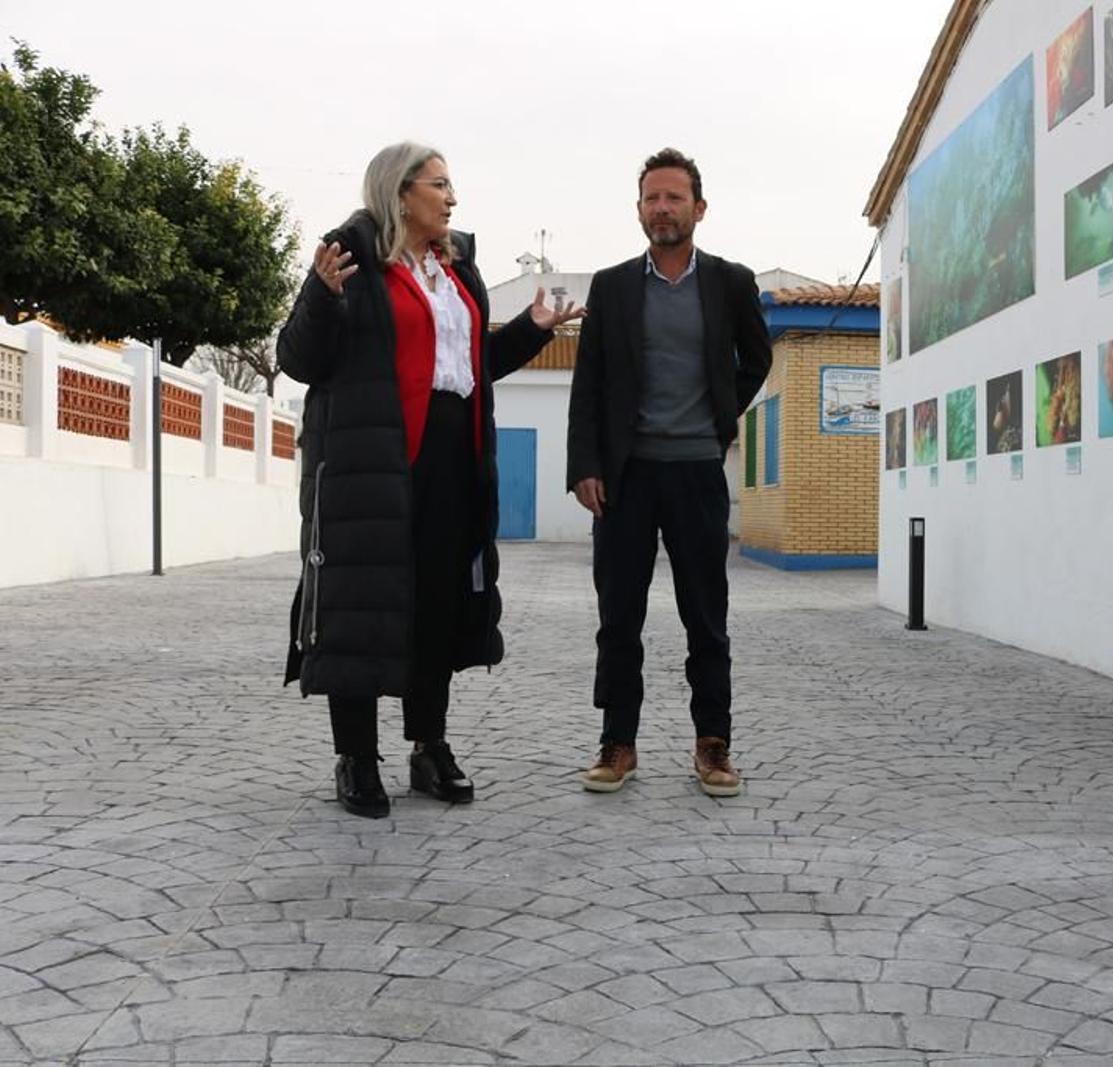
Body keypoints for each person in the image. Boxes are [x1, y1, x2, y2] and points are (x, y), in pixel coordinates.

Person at [279, 142, 584, 818]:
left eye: (451, 186)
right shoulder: (352, 261)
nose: (452, 198)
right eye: (440, 184)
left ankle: (429, 745)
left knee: (439, 602)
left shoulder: (457, 273)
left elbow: (472, 367)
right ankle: (356, 758)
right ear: (400, 191)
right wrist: (321, 295)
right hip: (373, 462)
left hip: (453, 458)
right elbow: (299, 358)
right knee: (360, 604)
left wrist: (533, 331)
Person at [567, 147, 772, 797]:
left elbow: (757, 359)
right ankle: (617, 741)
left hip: (696, 473)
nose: (662, 207)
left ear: (699, 209)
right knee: (618, 618)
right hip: (626, 479)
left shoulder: (731, 283)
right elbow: (589, 382)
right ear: (639, 211)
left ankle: (713, 744)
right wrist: (585, 466)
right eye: (652, 198)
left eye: (674, 197)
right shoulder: (613, 286)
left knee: (705, 616)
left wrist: (719, 414)